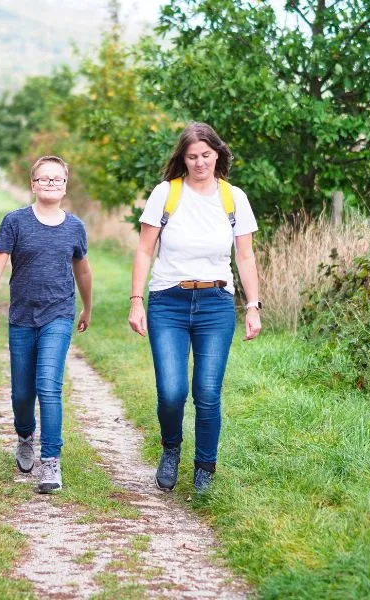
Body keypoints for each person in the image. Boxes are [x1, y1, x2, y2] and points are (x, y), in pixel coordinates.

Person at [127, 122, 261, 493]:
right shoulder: (165, 194)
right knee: (171, 392)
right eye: (192, 157)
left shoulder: (234, 198)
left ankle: (205, 467)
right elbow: (144, 250)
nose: (200, 162)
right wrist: (136, 301)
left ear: (217, 153)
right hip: (167, 302)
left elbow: (245, 256)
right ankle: (171, 449)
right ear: (182, 159)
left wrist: (252, 306)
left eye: (206, 155)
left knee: (207, 390)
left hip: (215, 304)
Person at [0, 155, 92, 493]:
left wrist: (87, 307)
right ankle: (24, 435)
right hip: (21, 317)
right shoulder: (15, 222)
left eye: (57, 179)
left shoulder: (75, 226)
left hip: (58, 314)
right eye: (43, 179)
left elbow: (83, 272)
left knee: (49, 386)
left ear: (65, 185)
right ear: (33, 184)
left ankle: (51, 463)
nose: (50, 184)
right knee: (21, 393)